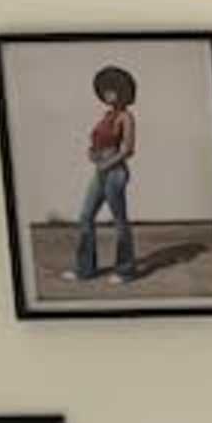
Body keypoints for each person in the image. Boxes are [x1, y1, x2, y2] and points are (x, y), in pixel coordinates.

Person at [72, 63, 140, 282]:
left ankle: (125, 270)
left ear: (122, 92)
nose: (107, 94)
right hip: (101, 171)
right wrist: (92, 152)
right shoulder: (106, 115)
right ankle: (85, 269)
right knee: (85, 216)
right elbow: (98, 142)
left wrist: (107, 163)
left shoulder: (126, 117)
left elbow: (128, 149)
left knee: (119, 221)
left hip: (116, 172)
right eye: (105, 90)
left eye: (112, 89)